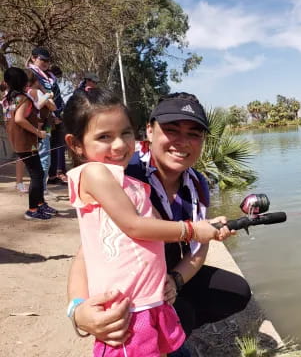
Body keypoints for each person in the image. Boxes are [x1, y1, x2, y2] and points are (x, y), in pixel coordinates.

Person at [68, 92, 252, 357]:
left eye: (194, 134)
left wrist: (176, 280)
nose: (182, 142)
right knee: (173, 319)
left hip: (162, 279)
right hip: (130, 293)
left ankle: (171, 329)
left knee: (235, 292)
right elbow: (86, 252)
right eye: (171, 130)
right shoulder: (121, 174)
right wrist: (78, 310)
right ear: (149, 131)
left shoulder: (198, 184)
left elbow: (198, 248)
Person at [2, 67, 58, 220]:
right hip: (26, 141)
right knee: (37, 174)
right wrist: (38, 132)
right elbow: (20, 119)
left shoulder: (10, 98)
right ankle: (33, 210)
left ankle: (40, 204)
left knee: (38, 173)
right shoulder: (23, 98)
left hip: (20, 140)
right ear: (24, 82)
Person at [26, 46, 66, 185]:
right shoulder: (30, 74)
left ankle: (42, 190)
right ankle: (39, 194)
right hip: (35, 121)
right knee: (40, 157)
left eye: (48, 61)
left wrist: (57, 114)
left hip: (49, 120)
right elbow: (30, 97)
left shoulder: (50, 77)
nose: (46, 63)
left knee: (46, 156)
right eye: (42, 60)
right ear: (33, 58)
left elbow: (57, 98)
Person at [25, 69, 57, 196]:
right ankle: (41, 188)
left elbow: (53, 107)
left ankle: (38, 187)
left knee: (35, 159)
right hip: (42, 130)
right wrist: (47, 95)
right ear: (35, 80)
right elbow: (48, 106)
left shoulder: (23, 94)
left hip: (30, 131)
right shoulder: (36, 92)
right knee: (44, 160)